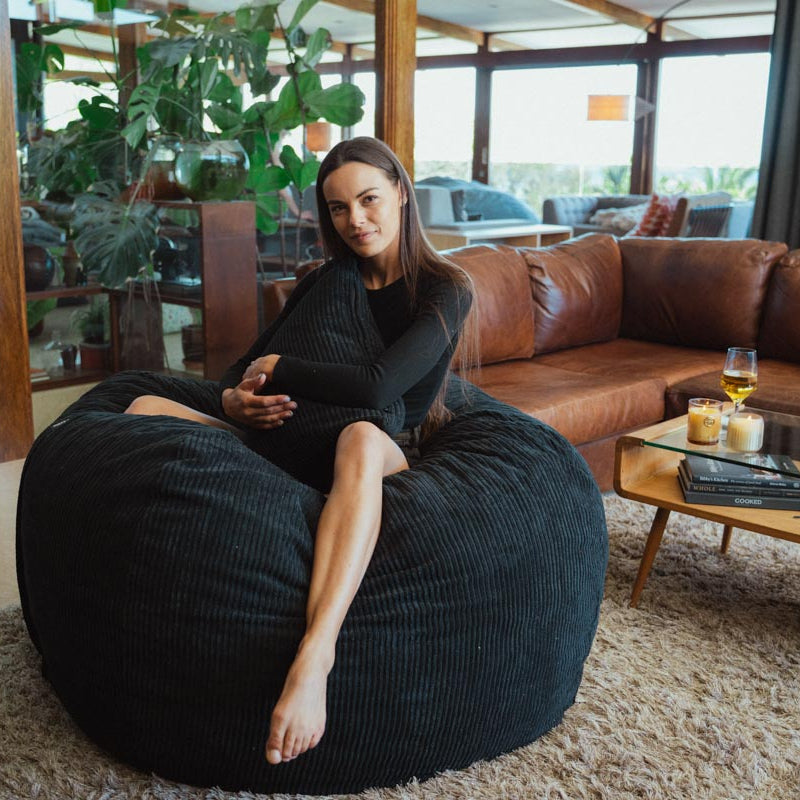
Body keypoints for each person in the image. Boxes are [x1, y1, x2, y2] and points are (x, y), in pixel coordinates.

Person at [123, 136, 476, 765]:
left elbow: (379, 387)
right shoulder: (328, 280)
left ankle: (317, 654)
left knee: (362, 435)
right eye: (338, 209)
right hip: (295, 433)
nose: (356, 221)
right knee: (141, 409)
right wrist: (236, 401)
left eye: (368, 199)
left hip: (383, 442)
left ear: (401, 191)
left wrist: (282, 365)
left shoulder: (446, 288)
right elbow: (240, 368)